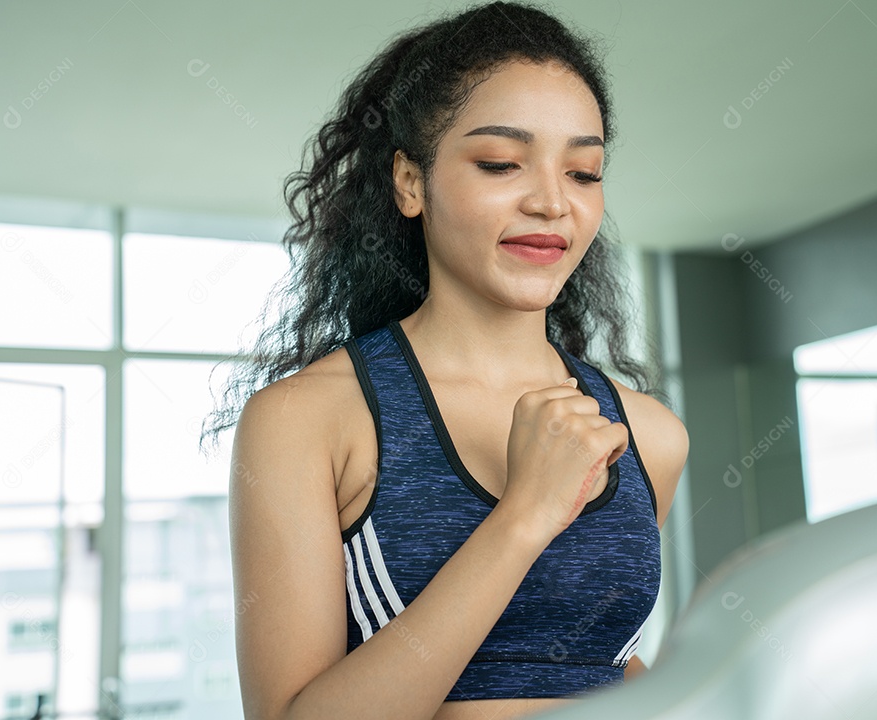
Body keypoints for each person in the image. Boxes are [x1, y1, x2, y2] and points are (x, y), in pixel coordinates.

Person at [199, 2, 689, 718]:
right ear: (409, 182)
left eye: (584, 172)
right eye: (500, 163)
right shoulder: (309, 420)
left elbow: (602, 666)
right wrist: (525, 515)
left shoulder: (651, 436)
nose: (553, 202)